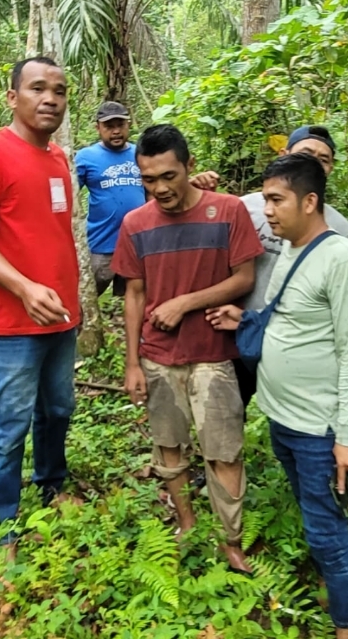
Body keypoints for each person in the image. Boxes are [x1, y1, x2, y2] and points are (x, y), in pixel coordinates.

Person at [206, 153, 348, 637]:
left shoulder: (342, 260)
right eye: (264, 200)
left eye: (276, 200)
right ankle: (327, 580)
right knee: (313, 511)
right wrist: (244, 320)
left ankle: (347, 627)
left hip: (319, 430)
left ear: (310, 201)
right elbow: (286, 316)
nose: (268, 211)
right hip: (284, 419)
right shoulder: (292, 250)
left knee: (328, 529)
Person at [111, 124, 264, 572]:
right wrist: (132, 363)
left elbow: (244, 278)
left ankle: (231, 539)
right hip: (158, 358)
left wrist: (185, 303)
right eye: (148, 179)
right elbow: (134, 294)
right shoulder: (135, 224)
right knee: (169, 448)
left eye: (169, 176)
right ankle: (188, 521)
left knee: (224, 450)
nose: (159, 188)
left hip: (215, 356)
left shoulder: (229, 211)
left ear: (190, 167)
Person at [0, 57, 80, 554]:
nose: (50, 98)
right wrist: (26, 288)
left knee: (59, 409)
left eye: (60, 90)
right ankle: (1, 526)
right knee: (9, 427)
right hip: (10, 325)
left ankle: (52, 483)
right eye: (38, 89)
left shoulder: (58, 160)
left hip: (61, 318)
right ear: (12, 97)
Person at [193, 125, 348, 407]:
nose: (315, 161)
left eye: (324, 158)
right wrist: (193, 196)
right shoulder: (247, 208)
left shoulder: (340, 229)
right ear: (285, 155)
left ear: (330, 169)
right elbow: (204, 253)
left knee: (291, 421)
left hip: (295, 346)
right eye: (306, 153)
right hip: (237, 331)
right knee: (230, 412)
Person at [75, 101, 146, 297]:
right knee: (84, 299)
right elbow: (70, 196)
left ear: (128, 124)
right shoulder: (86, 157)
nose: (115, 131)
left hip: (137, 244)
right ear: (98, 127)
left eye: (120, 125)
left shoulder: (140, 153)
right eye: (109, 126)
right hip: (102, 244)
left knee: (137, 297)